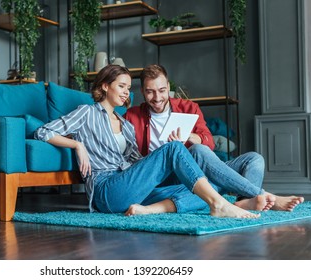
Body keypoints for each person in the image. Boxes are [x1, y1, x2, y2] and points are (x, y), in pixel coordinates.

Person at [35, 64, 260, 218]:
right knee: (173, 150)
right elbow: (43, 132)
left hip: (130, 186)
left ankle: (151, 210)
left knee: (206, 184)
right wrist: (77, 144)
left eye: (128, 88)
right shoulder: (86, 113)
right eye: (121, 86)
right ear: (105, 86)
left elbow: (136, 161)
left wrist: (164, 162)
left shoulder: (125, 124)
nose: (126, 93)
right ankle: (220, 204)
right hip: (107, 189)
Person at [124, 64, 304, 212]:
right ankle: (263, 194)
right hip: (165, 177)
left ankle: (243, 202)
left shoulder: (188, 107)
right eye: (150, 92)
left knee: (254, 159)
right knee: (201, 159)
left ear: (169, 88)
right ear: (142, 91)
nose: (157, 98)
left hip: (196, 171)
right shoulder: (131, 116)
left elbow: (208, 142)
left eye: (162, 90)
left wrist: (191, 136)